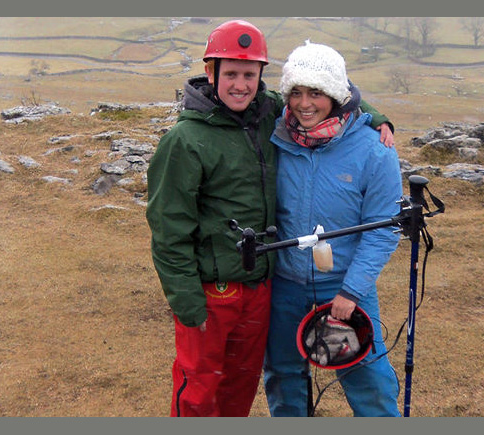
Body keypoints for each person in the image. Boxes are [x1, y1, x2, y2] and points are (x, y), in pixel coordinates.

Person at [145, 21, 394, 417]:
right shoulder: (203, 138)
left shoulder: (277, 118)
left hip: (294, 288)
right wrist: (187, 301)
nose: (240, 84)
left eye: (249, 74)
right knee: (224, 382)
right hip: (240, 289)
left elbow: (318, 93)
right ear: (210, 73)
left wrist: (371, 112)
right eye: (230, 74)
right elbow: (168, 229)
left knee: (253, 382)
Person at [263, 41, 403, 417]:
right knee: (283, 374)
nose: (304, 104)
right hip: (284, 282)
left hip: (343, 287)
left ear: (337, 95)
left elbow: (383, 229)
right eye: (296, 92)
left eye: (317, 93)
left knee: (367, 377)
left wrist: (352, 291)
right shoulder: (273, 133)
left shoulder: (376, 150)